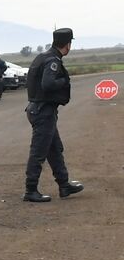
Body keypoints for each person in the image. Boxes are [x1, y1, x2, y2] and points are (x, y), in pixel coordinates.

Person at [23, 28, 84, 203]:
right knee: (39, 152)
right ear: (68, 44)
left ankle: (64, 185)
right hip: (43, 111)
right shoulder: (52, 60)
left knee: (54, 149)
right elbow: (48, 84)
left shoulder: (43, 57)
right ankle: (30, 190)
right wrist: (64, 80)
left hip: (39, 110)